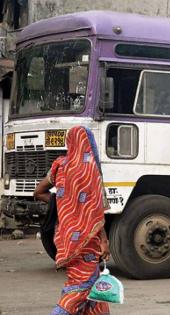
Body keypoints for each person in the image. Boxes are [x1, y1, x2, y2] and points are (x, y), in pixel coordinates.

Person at [34, 126, 110, 315]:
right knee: (82, 286)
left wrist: (61, 202)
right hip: (88, 238)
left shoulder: (60, 165)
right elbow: (96, 210)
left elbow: (38, 192)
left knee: (94, 295)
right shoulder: (90, 167)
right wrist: (104, 240)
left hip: (66, 237)